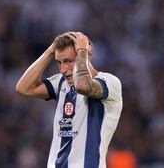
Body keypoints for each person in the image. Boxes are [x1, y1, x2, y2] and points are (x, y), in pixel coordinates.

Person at [16, 32, 123, 168]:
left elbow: (83, 86)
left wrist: (82, 50)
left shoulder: (110, 82)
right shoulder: (61, 83)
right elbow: (24, 88)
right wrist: (50, 51)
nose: (62, 70)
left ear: (85, 56)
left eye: (68, 61)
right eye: (59, 62)